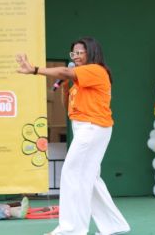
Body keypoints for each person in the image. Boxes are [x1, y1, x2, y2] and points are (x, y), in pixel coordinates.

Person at [16, 37, 130, 235]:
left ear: (91, 53)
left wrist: (34, 69)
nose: (76, 56)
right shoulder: (80, 79)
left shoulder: (95, 70)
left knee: (73, 174)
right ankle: (114, 225)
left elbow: (64, 71)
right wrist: (66, 85)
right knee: (90, 179)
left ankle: (71, 229)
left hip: (92, 128)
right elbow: (68, 107)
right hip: (86, 128)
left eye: (80, 52)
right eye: (73, 53)